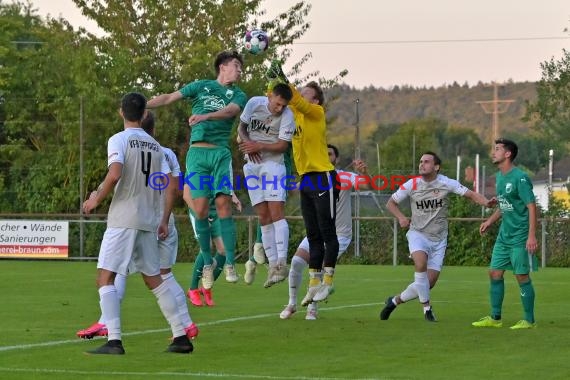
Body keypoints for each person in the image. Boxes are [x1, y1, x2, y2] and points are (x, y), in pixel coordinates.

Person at [82, 93, 193, 354]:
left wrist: (95, 199)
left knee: (105, 277)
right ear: (144, 114)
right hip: (148, 219)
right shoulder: (156, 147)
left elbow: (116, 172)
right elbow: (168, 186)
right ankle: (181, 336)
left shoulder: (118, 139)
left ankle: (114, 341)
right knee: (154, 278)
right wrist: (163, 218)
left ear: (121, 112)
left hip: (124, 218)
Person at [146, 50, 247, 286]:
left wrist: (205, 117)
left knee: (223, 203)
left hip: (220, 153)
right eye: (236, 66)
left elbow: (231, 112)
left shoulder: (238, 94)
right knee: (200, 210)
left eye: (241, 68)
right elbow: (169, 98)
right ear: (222, 66)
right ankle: (208, 264)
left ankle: (231, 263)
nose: (240, 71)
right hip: (197, 155)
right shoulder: (202, 86)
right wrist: (143, 104)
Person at [380, 151, 496, 322]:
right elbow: (391, 203)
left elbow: (470, 194)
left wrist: (486, 202)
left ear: (436, 167)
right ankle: (427, 309)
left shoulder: (446, 183)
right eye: (420, 161)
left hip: (439, 239)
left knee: (429, 283)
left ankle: (395, 301)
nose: (422, 164)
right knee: (420, 264)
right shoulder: (411, 184)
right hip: (417, 233)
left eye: (426, 162)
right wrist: (401, 217)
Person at [266, 60, 339, 307]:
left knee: (328, 232)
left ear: (316, 101)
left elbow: (294, 98)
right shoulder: (293, 115)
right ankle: (314, 284)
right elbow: (280, 100)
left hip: (323, 176)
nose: (300, 96)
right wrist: (274, 83)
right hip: (306, 179)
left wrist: (284, 78)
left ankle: (328, 281)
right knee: (313, 235)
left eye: (307, 94)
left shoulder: (316, 113)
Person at [280, 144, 371, 320]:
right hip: (316, 235)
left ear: (335, 159)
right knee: (297, 262)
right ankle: (291, 304)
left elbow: (367, 185)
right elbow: (293, 189)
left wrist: (364, 172)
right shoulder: (311, 178)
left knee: (320, 267)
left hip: (339, 235)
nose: (326, 156)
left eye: (330, 154)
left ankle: (312, 309)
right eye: (323, 153)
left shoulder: (344, 177)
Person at [472, 138, 538, 329]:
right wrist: (489, 221)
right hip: (504, 235)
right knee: (494, 273)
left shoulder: (520, 177)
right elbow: (504, 206)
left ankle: (529, 320)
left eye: (498, 149)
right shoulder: (500, 177)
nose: (494, 152)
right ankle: (495, 318)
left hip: (520, 235)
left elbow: (531, 207)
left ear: (508, 154)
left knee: (521, 276)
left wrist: (531, 235)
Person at [237, 82, 295, 288]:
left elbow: (282, 145)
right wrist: (247, 144)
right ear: (270, 96)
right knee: (263, 215)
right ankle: (272, 267)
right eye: (277, 103)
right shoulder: (254, 103)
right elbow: (242, 127)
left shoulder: (288, 116)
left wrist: (258, 145)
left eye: (283, 105)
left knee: (276, 213)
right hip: (251, 167)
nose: (280, 108)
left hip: (273, 166)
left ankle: (281, 262)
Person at [183, 184, 242, 306]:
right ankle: (193, 289)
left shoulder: (218, 167)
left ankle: (206, 288)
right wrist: (200, 216)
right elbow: (186, 195)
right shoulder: (196, 165)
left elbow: (224, 185)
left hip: (216, 212)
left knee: (224, 249)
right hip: (198, 210)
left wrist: (233, 196)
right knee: (206, 247)